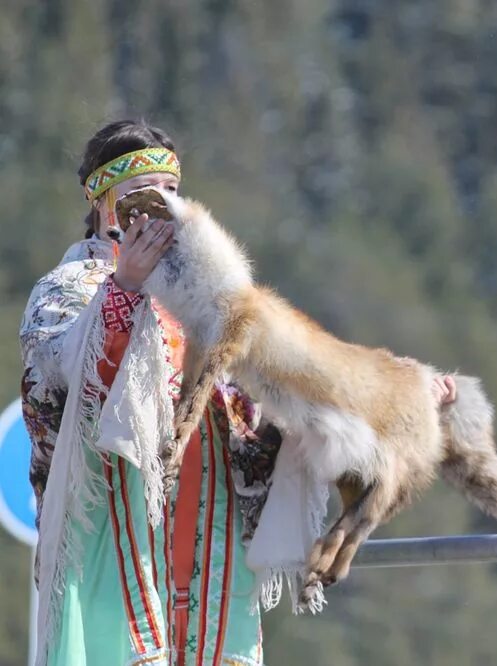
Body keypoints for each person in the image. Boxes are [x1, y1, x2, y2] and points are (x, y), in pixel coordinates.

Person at [21, 119, 459, 666]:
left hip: (207, 532)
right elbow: (65, 390)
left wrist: (399, 396)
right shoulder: (68, 289)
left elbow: (280, 392)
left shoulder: (206, 295)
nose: (156, 208)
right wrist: (124, 289)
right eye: (137, 195)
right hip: (120, 534)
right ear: (103, 202)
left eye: (170, 193)